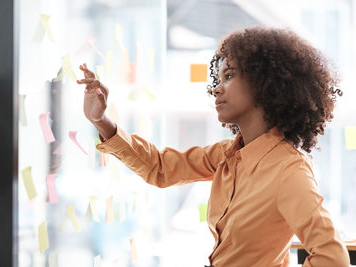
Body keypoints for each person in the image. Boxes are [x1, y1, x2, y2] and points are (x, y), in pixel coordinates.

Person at [77, 27, 350, 267]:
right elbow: (159, 168)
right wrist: (101, 120)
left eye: (229, 76)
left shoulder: (289, 171)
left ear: (265, 84)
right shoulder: (228, 154)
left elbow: (332, 257)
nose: (217, 89)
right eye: (217, 79)